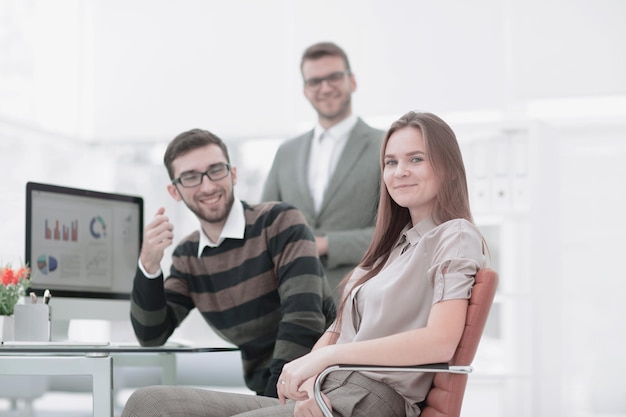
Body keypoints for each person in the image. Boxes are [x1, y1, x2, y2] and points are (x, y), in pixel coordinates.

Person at [121, 111, 487, 417]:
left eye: (415, 158)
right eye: (391, 162)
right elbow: (338, 330)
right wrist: (310, 379)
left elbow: (440, 341)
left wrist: (321, 361)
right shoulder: (390, 251)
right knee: (147, 403)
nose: (399, 171)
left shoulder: (453, 235)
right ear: (175, 189)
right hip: (323, 385)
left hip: (368, 396)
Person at [129, 128, 336, 398]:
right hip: (270, 393)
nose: (207, 186)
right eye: (191, 177)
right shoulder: (188, 256)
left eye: (216, 170)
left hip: (325, 381)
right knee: (149, 403)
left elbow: (303, 318)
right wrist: (149, 265)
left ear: (233, 174)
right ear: (174, 191)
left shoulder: (279, 221)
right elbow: (151, 335)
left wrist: (271, 404)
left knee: (152, 403)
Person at [262, 41, 384, 301]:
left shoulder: (385, 146)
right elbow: (264, 228)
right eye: (315, 81)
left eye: (334, 77)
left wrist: (326, 244)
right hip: (291, 300)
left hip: (361, 298)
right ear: (305, 91)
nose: (325, 88)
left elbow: (399, 231)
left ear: (352, 81)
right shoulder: (286, 152)